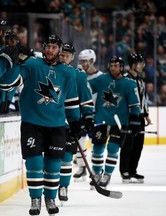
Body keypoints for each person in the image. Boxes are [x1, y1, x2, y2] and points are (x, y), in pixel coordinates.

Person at [3, 35, 81, 215]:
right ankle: (35, 198)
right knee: (35, 162)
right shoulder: (32, 64)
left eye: (54, 47)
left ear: (59, 50)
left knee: (54, 164)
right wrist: (14, 62)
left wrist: (75, 121)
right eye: (48, 46)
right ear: (44, 48)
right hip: (32, 123)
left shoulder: (68, 72)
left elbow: (70, 100)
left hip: (56, 125)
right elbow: (11, 83)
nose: (50, 50)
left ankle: (50, 198)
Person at [88, 56, 141, 188]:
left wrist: (135, 120)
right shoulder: (101, 79)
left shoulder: (129, 84)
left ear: (121, 67)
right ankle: (96, 174)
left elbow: (135, 105)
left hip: (119, 122)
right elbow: (87, 89)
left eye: (116, 66)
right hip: (101, 120)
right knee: (97, 149)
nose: (113, 68)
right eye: (111, 65)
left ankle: (107, 174)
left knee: (112, 148)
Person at [57, 43, 94, 203]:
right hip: (49, 121)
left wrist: (87, 117)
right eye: (61, 54)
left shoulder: (78, 75)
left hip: (69, 123)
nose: (63, 57)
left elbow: (86, 98)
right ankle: (50, 185)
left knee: (66, 157)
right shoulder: (49, 71)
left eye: (67, 55)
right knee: (50, 157)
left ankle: (63, 186)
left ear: (72, 58)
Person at [120, 53, 152, 183]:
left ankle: (133, 171)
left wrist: (146, 115)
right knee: (128, 144)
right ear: (133, 65)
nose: (142, 66)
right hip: (128, 117)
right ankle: (125, 171)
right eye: (139, 63)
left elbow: (143, 100)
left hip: (139, 118)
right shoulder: (125, 80)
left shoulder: (140, 80)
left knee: (138, 145)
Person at [73, 49, 103, 183]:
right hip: (82, 114)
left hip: (97, 115)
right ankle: (82, 167)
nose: (82, 64)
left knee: (96, 144)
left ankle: (97, 170)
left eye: (85, 61)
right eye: (81, 61)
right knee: (79, 141)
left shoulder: (101, 77)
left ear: (92, 61)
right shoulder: (79, 75)